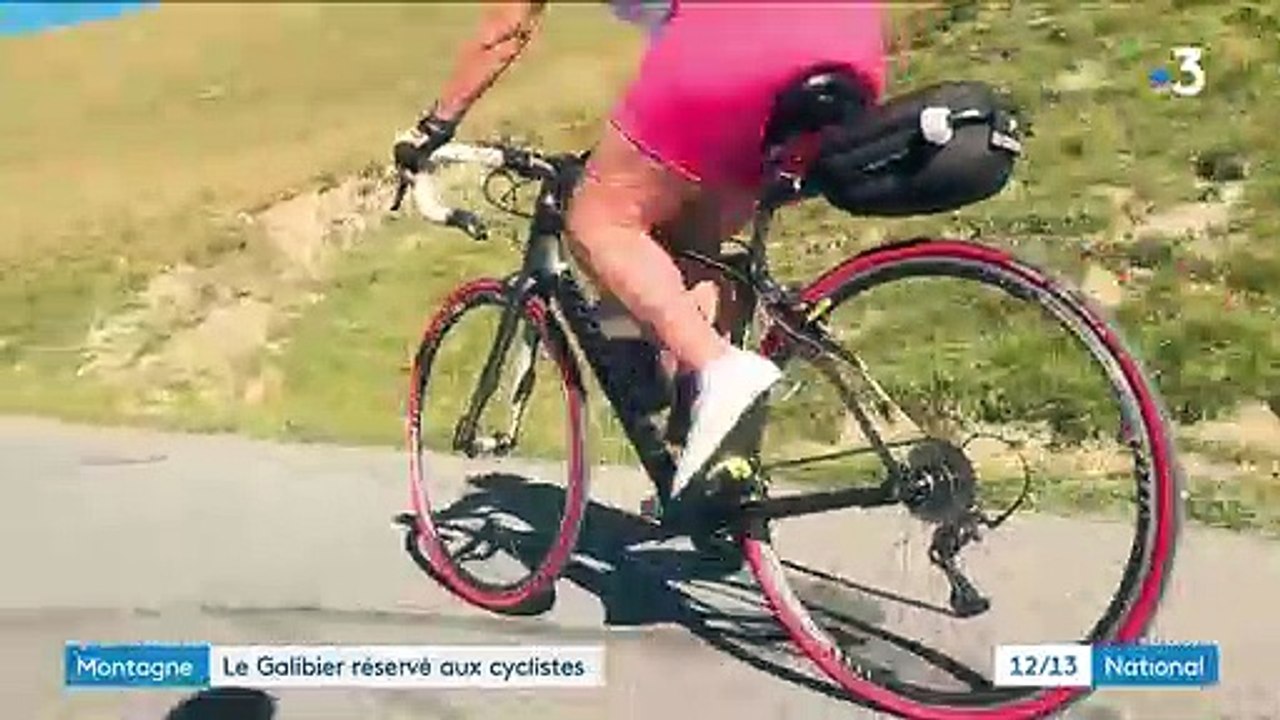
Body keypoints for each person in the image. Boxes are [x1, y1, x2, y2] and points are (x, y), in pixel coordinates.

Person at [397, 1, 887, 494]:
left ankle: (720, 370)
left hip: (743, 42)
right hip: (852, 41)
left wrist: (432, 130)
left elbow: (503, 30)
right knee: (684, 251)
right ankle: (717, 471)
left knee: (596, 221)